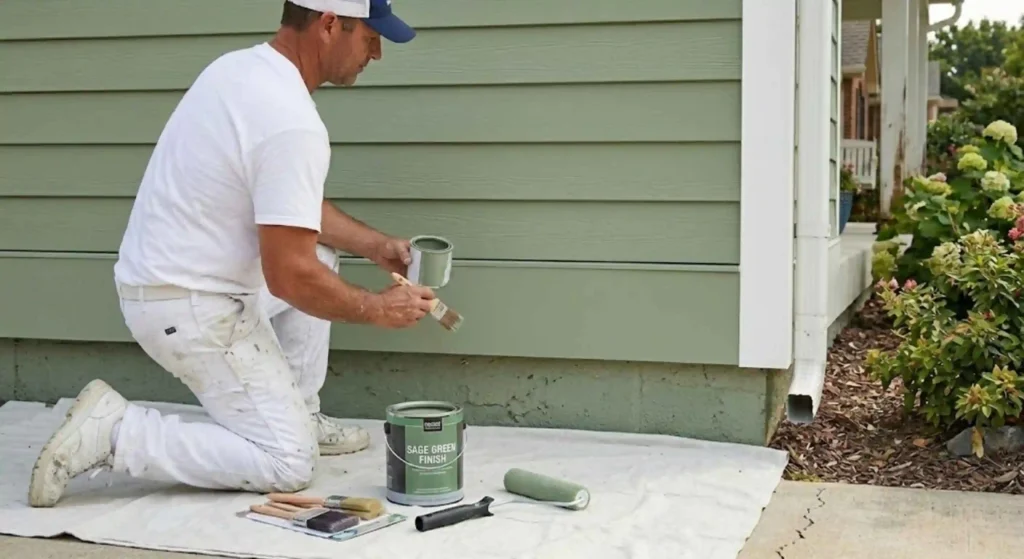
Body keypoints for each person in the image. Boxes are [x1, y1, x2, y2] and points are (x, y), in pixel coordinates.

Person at [27, 0, 436, 508]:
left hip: (168, 280)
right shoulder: (291, 122)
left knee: (322, 255)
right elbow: (290, 276)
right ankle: (116, 432)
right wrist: (377, 309)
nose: (376, 54)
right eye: (370, 38)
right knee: (289, 463)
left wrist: (376, 246)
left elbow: (288, 205)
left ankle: (299, 411)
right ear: (330, 24)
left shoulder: (240, 68)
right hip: (190, 305)